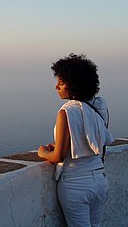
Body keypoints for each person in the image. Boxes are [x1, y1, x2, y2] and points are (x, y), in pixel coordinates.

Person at [38, 53, 114, 227]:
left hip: (75, 184)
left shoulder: (66, 112)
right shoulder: (98, 106)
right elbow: (92, 139)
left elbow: (58, 157)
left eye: (61, 82)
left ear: (73, 85)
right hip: (99, 181)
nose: (56, 86)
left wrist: (42, 152)